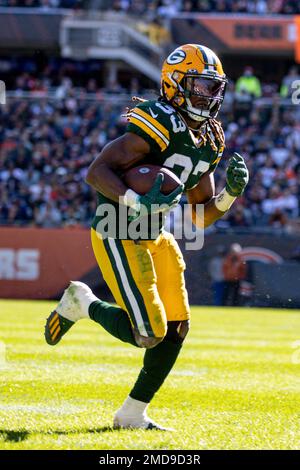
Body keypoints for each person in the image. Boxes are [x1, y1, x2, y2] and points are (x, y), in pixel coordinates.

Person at [44, 44, 249, 430]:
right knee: (148, 332)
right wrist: (135, 200)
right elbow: (97, 171)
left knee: (176, 327)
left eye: (214, 87)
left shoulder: (209, 138)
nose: (210, 95)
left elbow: (199, 215)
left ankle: (132, 414)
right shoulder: (158, 120)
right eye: (202, 85)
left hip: (154, 234)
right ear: (175, 84)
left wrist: (229, 194)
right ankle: (82, 302)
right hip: (117, 230)